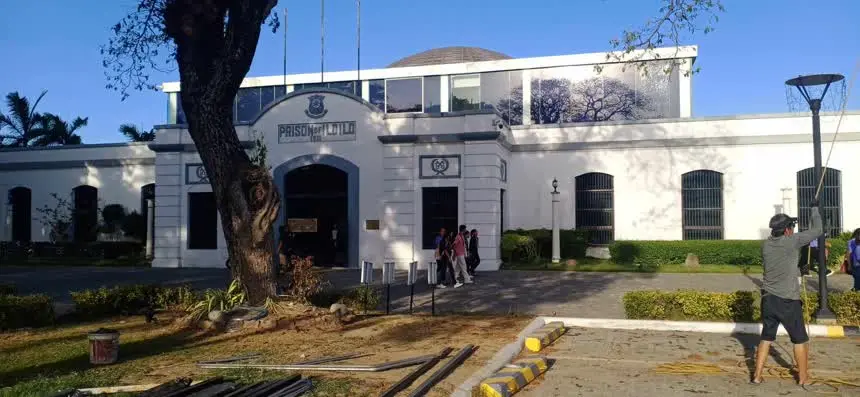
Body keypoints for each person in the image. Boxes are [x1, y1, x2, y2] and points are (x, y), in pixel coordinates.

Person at [752, 202, 822, 386]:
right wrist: (814, 209)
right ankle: (804, 378)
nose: (793, 229)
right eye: (791, 226)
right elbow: (818, 230)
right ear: (786, 230)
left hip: (768, 300)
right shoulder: (791, 241)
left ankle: (757, 376)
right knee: (800, 340)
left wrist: (798, 267)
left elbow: (782, 263)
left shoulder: (766, 245)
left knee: (766, 338)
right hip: (788, 301)